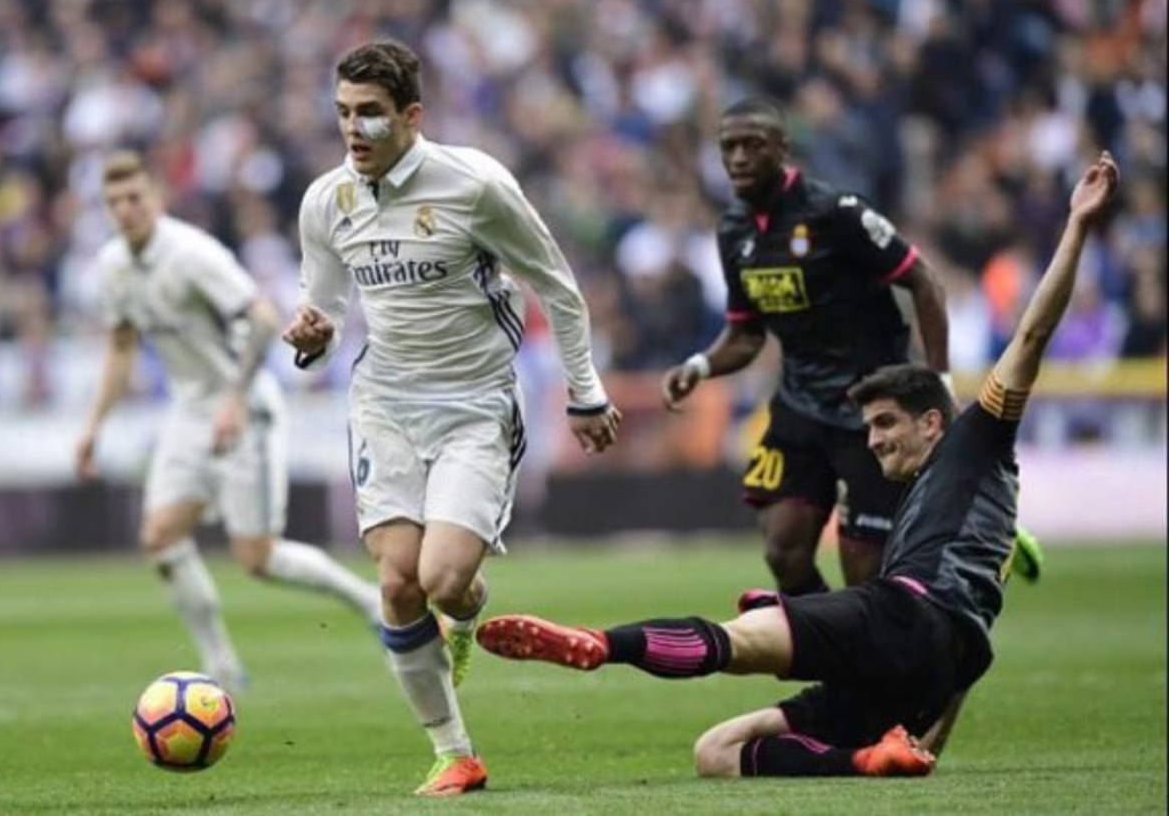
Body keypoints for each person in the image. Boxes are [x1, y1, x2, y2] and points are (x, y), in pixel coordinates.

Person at [476, 153, 1119, 779]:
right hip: (931, 670)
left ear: (932, 421)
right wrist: (923, 740)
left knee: (737, 640)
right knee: (717, 752)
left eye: (885, 423)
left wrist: (1078, 224)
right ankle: (863, 761)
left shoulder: (974, 440)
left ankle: (602, 644)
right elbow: (954, 689)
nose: (873, 441)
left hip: (901, 617)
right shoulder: (946, 513)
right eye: (870, 428)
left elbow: (1031, 334)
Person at [281, 40, 621, 796]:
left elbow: (557, 287)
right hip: (385, 405)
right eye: (343, 112)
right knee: (398, 584)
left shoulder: (475, 186)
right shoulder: (325, 201)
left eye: (370, 112)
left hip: (474, 404)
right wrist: (312, 337)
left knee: (442, 580)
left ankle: (463, 613)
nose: (353, 129)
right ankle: (454, 752)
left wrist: (586, 392)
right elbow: (325, 310)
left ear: (412, 115)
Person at [660, 97, 1042, 592]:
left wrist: (939, 382)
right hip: (801, 403)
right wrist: (699, 365)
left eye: (752, 145)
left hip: (870, 406)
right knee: (783, 550)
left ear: (782, 148)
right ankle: (829, 637)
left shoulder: (835, 213)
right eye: (728, 147)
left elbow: (925, 281)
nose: (738, 158)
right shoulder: (734, 230)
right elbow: (747, 332)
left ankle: (985, 528)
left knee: (864, 573)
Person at [75, 151, 383, 693]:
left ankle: (373, 604)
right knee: (160, 536)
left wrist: (235, 398)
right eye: (114, 201)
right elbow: (122, 348)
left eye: (134, 197)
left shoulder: (193, 254)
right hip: (190, 410)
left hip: (246, 406)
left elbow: (263, 317)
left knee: (257, 557)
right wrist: (93, 427)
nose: (125, 210)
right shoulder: (112, 267)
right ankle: (220, 665)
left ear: (157, 198)